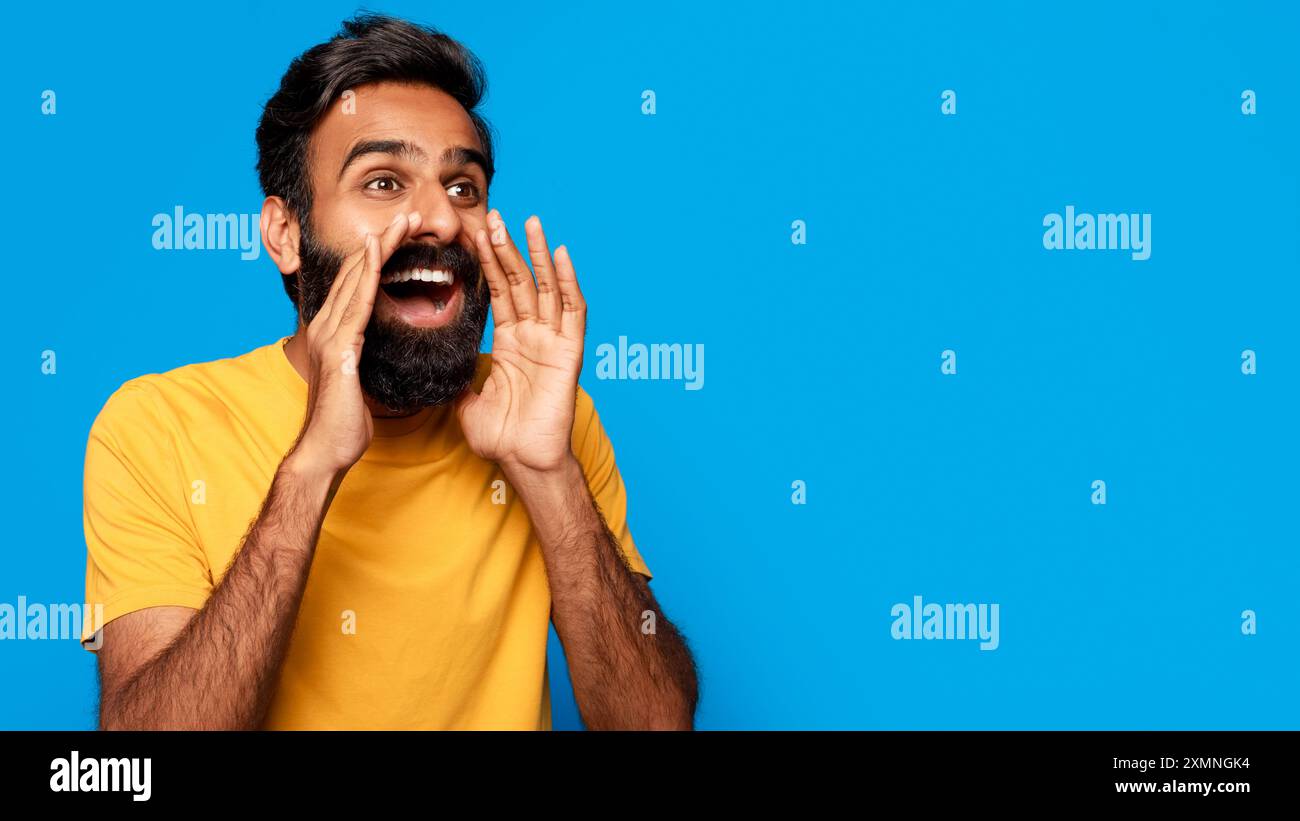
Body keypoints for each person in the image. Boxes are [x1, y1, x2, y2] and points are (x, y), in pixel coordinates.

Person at [81, 13, 698, 730]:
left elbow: (656, 723)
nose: (436, 217)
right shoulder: (159, 426)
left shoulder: (546, 416)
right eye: (382, 182)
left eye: (463, 187)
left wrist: (548, 472)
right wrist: (311, 470)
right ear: (285, 233)